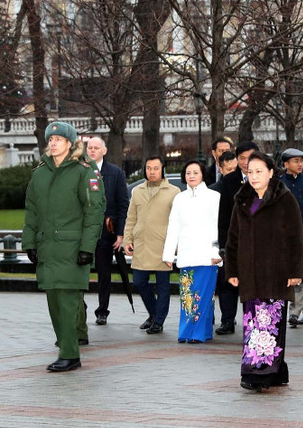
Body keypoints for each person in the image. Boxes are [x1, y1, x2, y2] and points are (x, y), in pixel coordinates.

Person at [23, 122, 104, 371]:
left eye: (59, 139)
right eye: (51, 139)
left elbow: (94, 211)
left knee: (68, 302)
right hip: (48, 248)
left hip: (71, 248)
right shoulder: (40, 173)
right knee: (54, 302)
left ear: (71, 143)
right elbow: (32, 211)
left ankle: (70, 354)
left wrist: (87, 248)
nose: (54, 143)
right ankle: (66, 350)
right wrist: (29, 242)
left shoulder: (84, 170)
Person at [225, 152, 303, 391]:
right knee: (253, 322)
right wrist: (232, 269)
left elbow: (295, 238)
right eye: (250, 172)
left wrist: (295, 270)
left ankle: (259, 373)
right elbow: (233, 238)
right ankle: (275, 370)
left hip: (276, 272)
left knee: (270, 322)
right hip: (250, 271)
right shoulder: (242, 199)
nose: (254, 176)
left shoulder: (284, 199)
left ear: (271, 172)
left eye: (259, 171)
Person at [162, 160, 221, 343]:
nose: (192, 176)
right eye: (188, 173)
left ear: (203, 174)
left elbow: (218, 226)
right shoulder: (179, 198)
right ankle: (188, 332)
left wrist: (216, 252)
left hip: (207, 255)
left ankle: (198, 333)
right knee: (187, 295)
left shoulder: (214, 197)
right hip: (187, 254)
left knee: (203, 296)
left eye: (196, 172)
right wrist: (168, 254)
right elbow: (173, 227)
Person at [124, 155, 180, 334]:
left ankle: (159, 321)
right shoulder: (137, 191)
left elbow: (178, 221)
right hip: (142, 244)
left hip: (163, 245)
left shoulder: (173, 192)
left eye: (156, 168)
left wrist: (175, 246)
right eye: (149, 168)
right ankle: (153, 313)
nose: (152, 171)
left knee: (163, 286)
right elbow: (131, 218)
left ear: (162, 169)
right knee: (139, 282)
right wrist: (127, 239)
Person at [215, 141, 260, 334]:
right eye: (241, 158)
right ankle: (227, 320)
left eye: (249, 157)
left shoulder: (266, 178)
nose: (245, 162)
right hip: (232, 241)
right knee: (228, 283)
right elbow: (222, 215)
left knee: (252, 284)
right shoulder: (228, 181)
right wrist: (223, 243)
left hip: (257, 242)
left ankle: (252, 321)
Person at [85, 136, 129, 326]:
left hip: (106, 231)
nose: (92, 151)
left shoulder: (115, 173)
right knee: (80, 271)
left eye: (96, 148)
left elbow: (123, 204)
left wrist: (120, 233)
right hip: (84, 231)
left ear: (104, 150)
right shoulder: (80, 170)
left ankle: (102, 310)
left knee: (104, 273)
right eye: (89, 148)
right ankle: (81, 307)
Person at [280, 148, 303, 327]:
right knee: (294, 274)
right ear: (286, 164)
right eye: (295, 161)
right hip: (286, 238)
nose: (300, 164)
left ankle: (294, 312)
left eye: (301, 160)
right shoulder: (279, 184)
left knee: (301, 275)